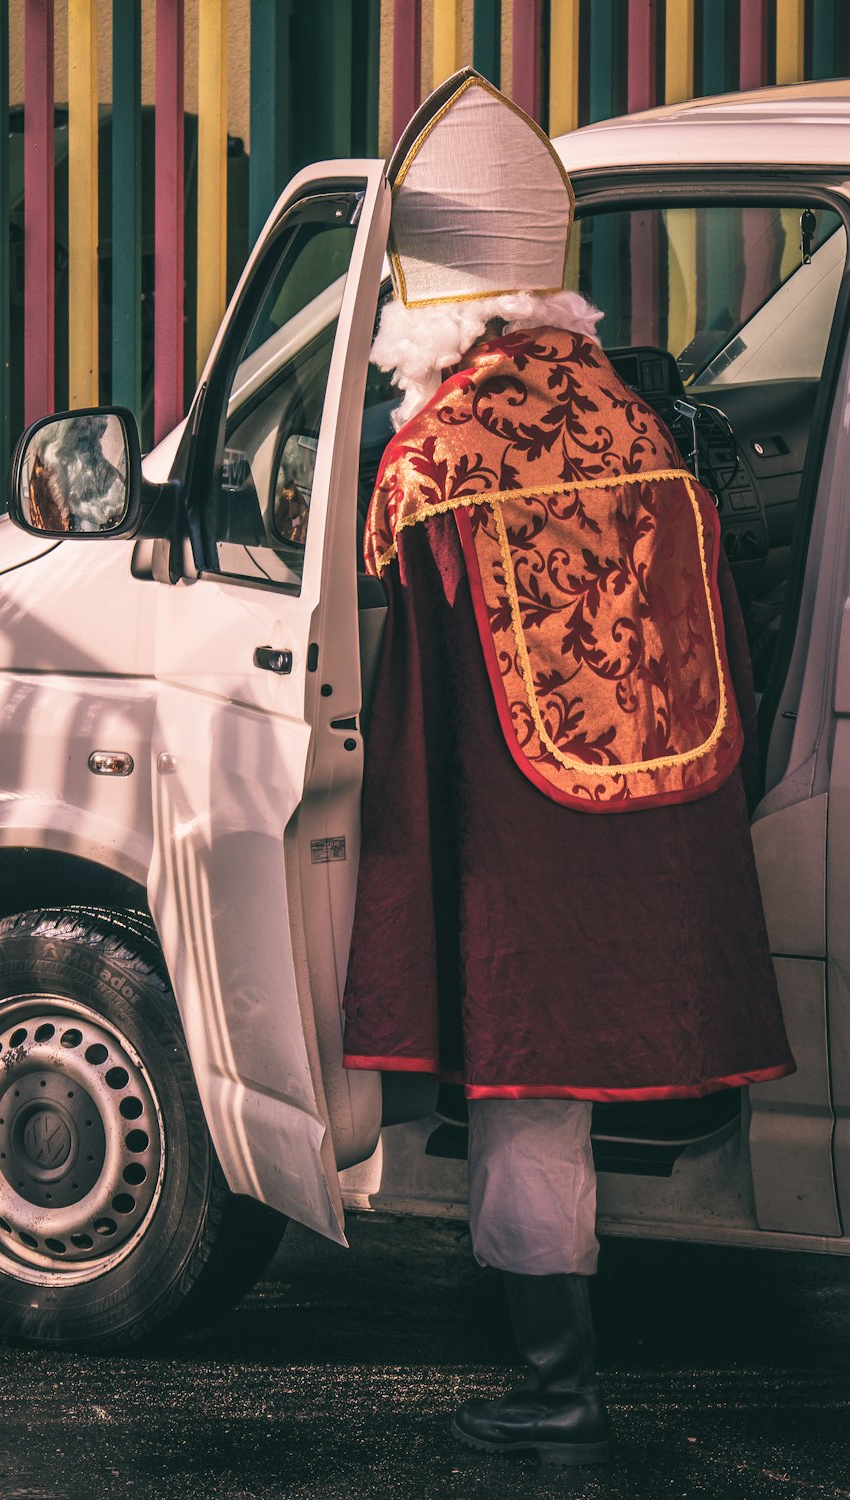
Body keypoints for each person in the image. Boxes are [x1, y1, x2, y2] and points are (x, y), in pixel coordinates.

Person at [341, 68, 795, 1468]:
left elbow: (394, 663)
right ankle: (554, 1348)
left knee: (525, 1098)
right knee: (574, 1101)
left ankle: (558, 1380)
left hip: (515, 833)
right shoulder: (626, 416)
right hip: (656, 814)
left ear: (421, 300)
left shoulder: (436, 454)